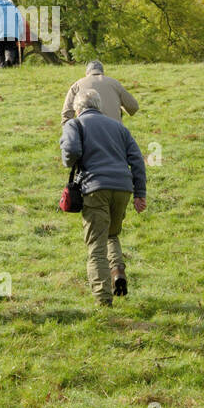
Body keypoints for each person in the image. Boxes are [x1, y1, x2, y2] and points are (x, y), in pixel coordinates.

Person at [60, 89, 147, 306]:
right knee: (111, 234)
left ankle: (103, 298)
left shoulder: (75, 124)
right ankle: (117, 272)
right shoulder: (119, 127)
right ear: (98, 106)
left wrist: (69, 160)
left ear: (77, 109)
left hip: (95, 188)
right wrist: (140, 194)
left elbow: (70, 150)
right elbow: (137, 159)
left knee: (96, 246)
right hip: (123, 188)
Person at [61, 60, 139, 122]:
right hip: (114, 132)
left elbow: (66, 114)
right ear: (102, 72)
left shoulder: (77, 85)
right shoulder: (115, 83)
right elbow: (133, 107)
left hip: (87, 133)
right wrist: (120, 105)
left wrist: (70, 132)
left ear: (86, 73)